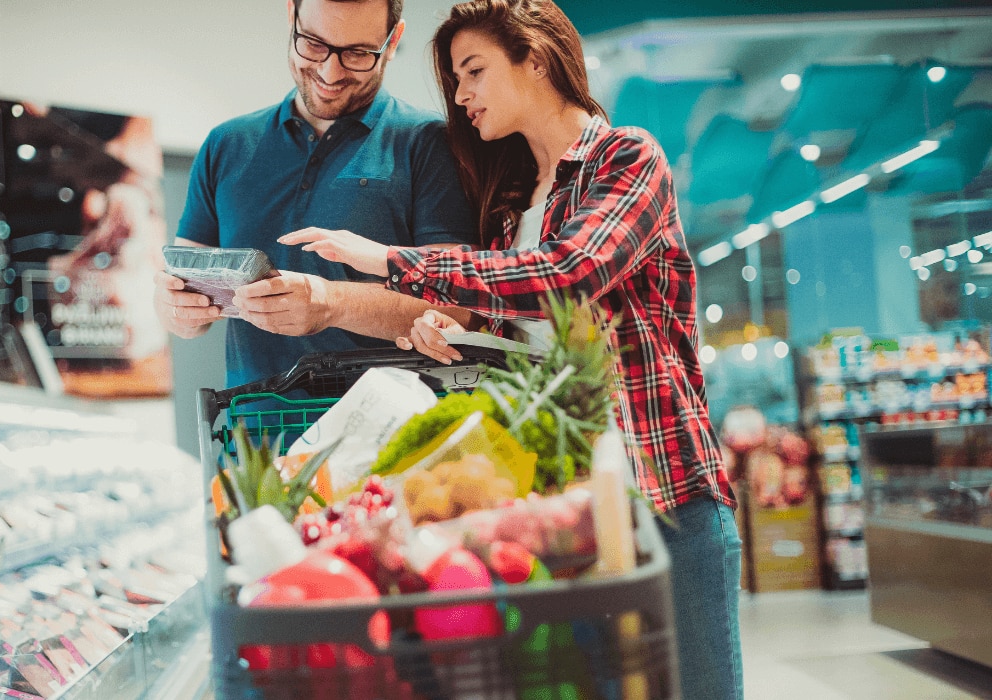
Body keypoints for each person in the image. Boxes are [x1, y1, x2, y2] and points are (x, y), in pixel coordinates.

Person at [282, 1, 743, 697]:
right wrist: (448, 336)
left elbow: (569, 274)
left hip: (664, 496)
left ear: (536, 57)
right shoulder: (510, 210)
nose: (461, 96)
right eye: (454, 80)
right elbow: (516, 347)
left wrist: (391, 260)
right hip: (563, 516)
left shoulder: (627, 159)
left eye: (474, 71)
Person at [154, 0, 477, 388]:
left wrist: (329, 303)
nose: (329, 71)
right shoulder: (226, 144)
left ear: (393, 42)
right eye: (313, 43)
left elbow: (459, 310)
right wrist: (175, 308)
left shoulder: (431, 143)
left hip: (392, 437)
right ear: (291, 15)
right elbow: (182, 293)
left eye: (357, 53)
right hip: (253, 434)